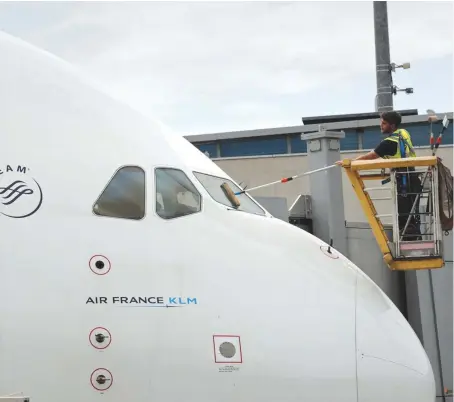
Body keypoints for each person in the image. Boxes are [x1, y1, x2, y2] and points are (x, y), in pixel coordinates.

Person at [336, 111, 422, 241]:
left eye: (384, 123)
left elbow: (370, 156)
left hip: (403, 181)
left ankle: (408, 240)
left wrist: (350, 162)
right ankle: (414, 237)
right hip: (412, 177)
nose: (381, 126)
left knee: (404, 214)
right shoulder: (404, 133)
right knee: (411, 212)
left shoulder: (389, 142)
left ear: (392, 126)